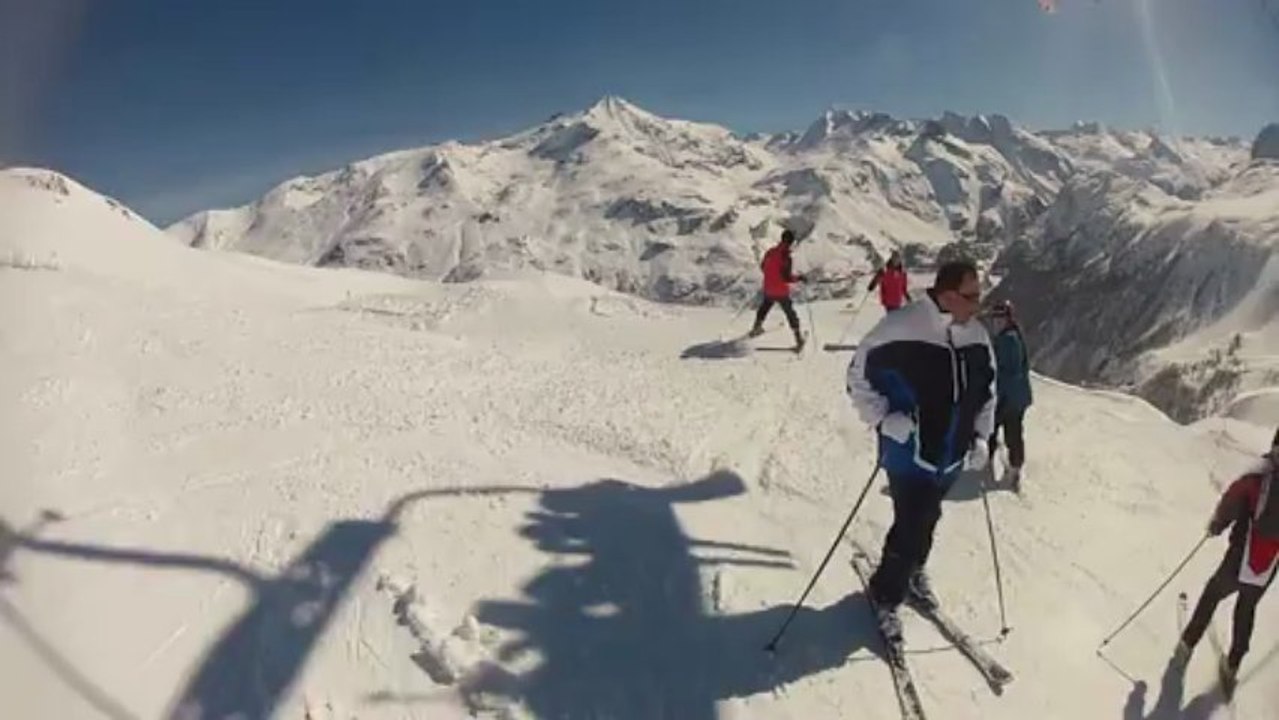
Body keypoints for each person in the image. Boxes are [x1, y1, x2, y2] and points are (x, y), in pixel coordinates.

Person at [846, 260, 996, 631]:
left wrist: (981, 436)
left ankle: (914, 570)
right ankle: (887, 592)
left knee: (929, 517)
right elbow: (857, 377)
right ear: (946, 295)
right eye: (971, 296)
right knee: (911, 522)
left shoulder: (976, 335)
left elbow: (987, 391)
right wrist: (882, 419)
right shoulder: (901, 328)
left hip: (951, 455)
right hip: (907, 454)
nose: (979, 304)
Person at [1177, 427, 1279, 692]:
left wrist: (1216, 525)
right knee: (1246, 609)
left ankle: (1188, 642)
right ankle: (1233, 663)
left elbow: (1231, 500)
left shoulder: (1258, 473)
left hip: (1239, 559)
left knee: (1213, 593)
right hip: (1267, 566)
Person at [987, 300, 1033, 491]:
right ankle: (1013, 466)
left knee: (1006, 430)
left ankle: (1012, 468)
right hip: (1014, 396)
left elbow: (1011, 373)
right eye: (995, 318)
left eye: (1000, 318)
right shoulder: (1010, 336)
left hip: (1010, 397)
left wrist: (1001, 396)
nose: (996, 322)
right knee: (1009, 430)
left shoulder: (1009, 340)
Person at [749, 229, 807, 351]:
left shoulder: (770, 252)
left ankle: (756, 328)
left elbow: (763, 266)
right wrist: (799, 278)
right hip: (780, 290)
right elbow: (786, 277)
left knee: (765, 307)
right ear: (791, 242)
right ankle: (798, 339)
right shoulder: (786, 256)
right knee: (790, 313)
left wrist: (771, 276)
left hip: (768, 287)